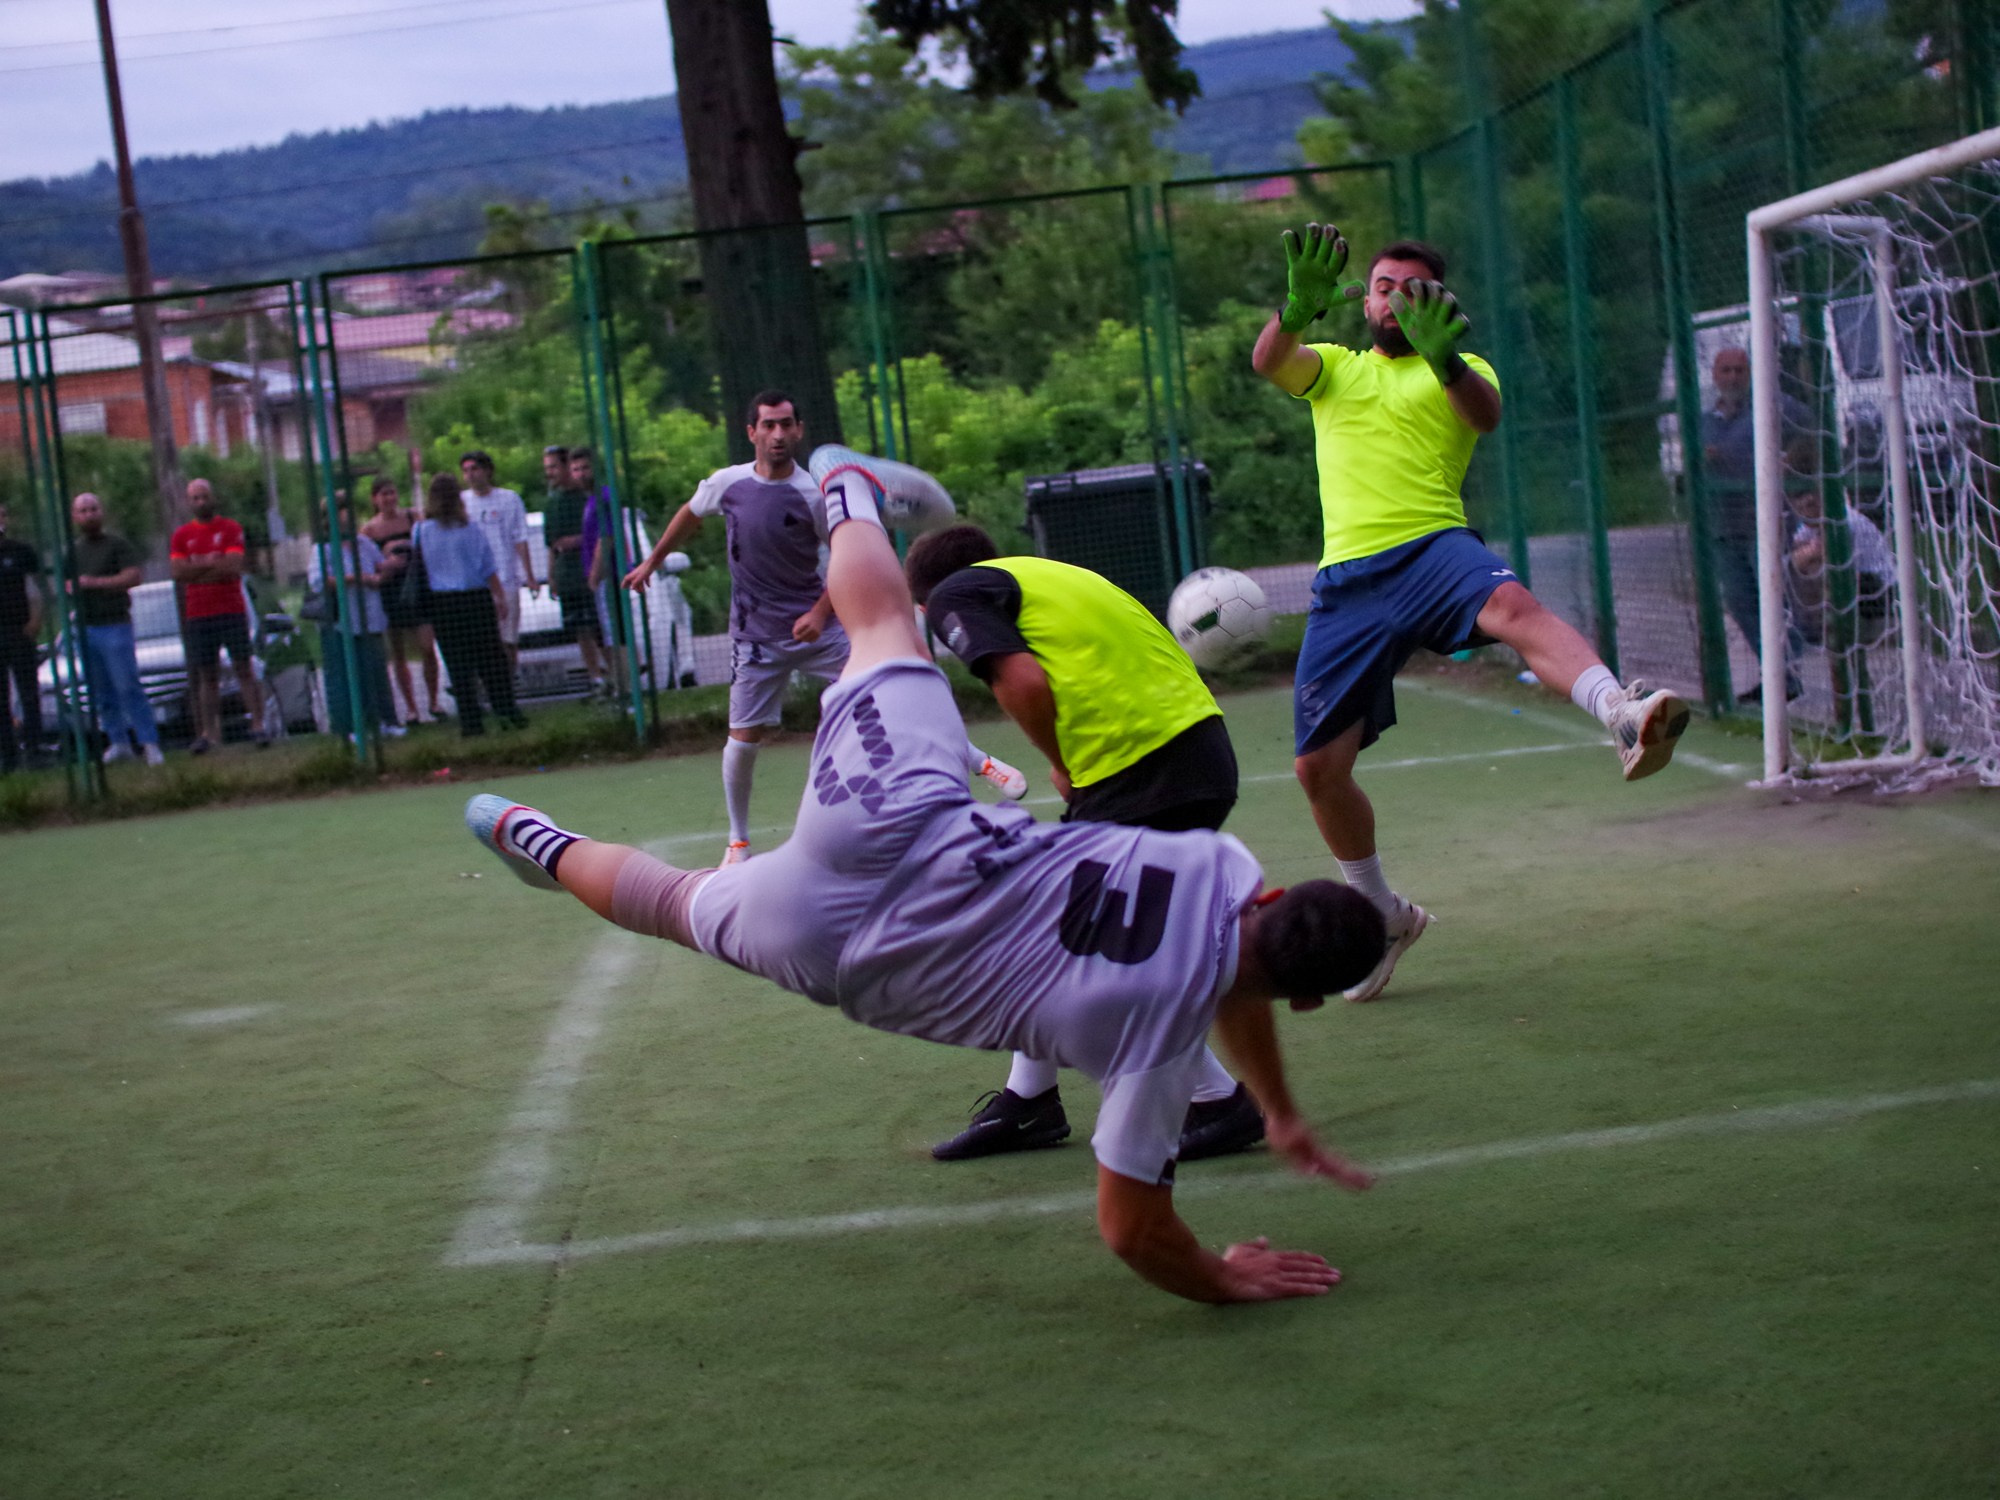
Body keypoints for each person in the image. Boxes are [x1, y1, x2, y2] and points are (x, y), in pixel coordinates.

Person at [466, 444, 1390, 1304]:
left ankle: (843, 487)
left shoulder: (1221, 866)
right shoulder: (1152, 1051)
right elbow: (1134, 1230)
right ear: (1304, 1001)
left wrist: (1279, 1106)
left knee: (885, 630)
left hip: (901, 824)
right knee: (669, 901)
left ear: (1272, 893)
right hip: (847, 952)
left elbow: (1234, 952)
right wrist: (1226, 1275)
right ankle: (533, 836)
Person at [1251, 226, 1688, 1003]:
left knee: (1510, 603)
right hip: (1346, 581)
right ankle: (1384, 912)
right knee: (1318, 771)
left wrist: (1444, 355)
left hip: (1430, 548)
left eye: (1410, 289)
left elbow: (1482, 415)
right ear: (1365, 299)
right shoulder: (1335, 372)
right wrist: (1295, 309)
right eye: (1381, 285)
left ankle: (1620, 711)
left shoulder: (1461, 369)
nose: (1391, 297)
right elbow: (1271, 362)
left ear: (1438, 305)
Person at [907, 524, 1265, 1165]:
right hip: (1197, 751)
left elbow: (1022, 683)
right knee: (1056, 935)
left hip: (1139, 768)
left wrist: (1058, 762)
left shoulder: (955, 593)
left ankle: (1218, 1102)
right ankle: (1030, 1102)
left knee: (1079, 947)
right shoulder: (1059, 576)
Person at [622, 390, 1024, 865]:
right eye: (768, 425)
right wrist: (653, 560)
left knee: (892, 695)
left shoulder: (816, 493)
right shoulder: (728, 485)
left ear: (799, 430)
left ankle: (981, 763)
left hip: (821, 632)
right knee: (742, 741)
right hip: (755, 639)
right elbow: (691, 513)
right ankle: (738, 840)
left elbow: (845, 558)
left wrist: (818, 612)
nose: (777, 434)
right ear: (751, 432)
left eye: (786, 424)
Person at [1701, 344, 1813, 701]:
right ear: (1715, 377)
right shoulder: (1706, 420)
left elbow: (1811, 428)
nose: (1733, 377)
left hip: (1765, 521)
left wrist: (1790, 462)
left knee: (1771, 597)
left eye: (1740, 370)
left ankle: (1785, 675)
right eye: (1726, 371)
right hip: (1724, 523)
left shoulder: (1772, 405)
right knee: (1739, 600)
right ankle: (1778, 669)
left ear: (1750, 374)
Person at [416, 473, 525, 737]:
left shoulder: (421, 531)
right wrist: (499, 596)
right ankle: (506, 711)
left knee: (457, 663)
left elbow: (421, 568)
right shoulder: (470, 528)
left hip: (442, 603)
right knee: (491, 659)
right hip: (474, 598)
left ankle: (470, 721)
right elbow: (487, 566)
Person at [169, 478, 268, 754]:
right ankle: (208, 733)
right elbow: (178, 573)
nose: (201, 502)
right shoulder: (181, 535)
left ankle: (258, 725)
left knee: (243, 669)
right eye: (195, 498)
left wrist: (197, 568)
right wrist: (212, 565)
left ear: (213, 498)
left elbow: (233, 566)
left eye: (204, 497)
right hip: (199, 614)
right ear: (189, 502)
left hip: (231, 610)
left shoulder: (230, 528)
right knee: (207, 675)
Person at [65, 492, 162, 766]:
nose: (88, 515)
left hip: (115, 626)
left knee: (128, 685)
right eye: (82, 511)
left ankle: (149, 743)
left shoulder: (116, 545)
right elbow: (65, 583)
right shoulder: (72, 551)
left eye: (93, 509)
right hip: (86, 629)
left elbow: (133, 576)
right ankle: (118, 742)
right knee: (101, 691)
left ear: (101, 512)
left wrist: (94, 583)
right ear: (75, 516)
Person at [309, 511, 402, 741]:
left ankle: (384, 721)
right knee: (347, 674)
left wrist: (390, 565)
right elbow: (319, 581)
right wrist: (354, 578)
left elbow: (378, 567)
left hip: (370, 617)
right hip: (342, 619)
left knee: (376, 669)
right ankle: (351, 727)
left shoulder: (363, 543)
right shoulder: (323, 548)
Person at [362, 476, 442, 724]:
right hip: (391, 591)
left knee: (427, 646)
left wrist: (408, 546)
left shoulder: (413, 517)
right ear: (375, 499)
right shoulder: (369, 530)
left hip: (418, 588)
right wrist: (386, 559)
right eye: (383, 494)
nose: (389, 499)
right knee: (398, 652)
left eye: (392, 493)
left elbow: (429, 543)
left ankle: (434, 701)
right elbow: (368, 562)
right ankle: (410, 708)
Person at [458, 450, 537, 678]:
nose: (471, 475)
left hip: (506, 579)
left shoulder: (509, 499)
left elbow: (520, 538)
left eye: (475, 469)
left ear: (488, 471)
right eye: (466, 471)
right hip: (475, 583)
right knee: (481, 639)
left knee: (508, 637)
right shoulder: (461, 502)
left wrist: (529, 576)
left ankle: (508, 682)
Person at [551, 447, 614, 697]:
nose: (580, 474)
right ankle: (611, 684)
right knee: (595, 631)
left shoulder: (604, 497)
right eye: (576, 469)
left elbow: (604, 539)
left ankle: (625, 688)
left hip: (608, 578)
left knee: (610, 635)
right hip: (596, 578)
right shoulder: (588, 501)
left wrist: (594, 576)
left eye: (585, 468)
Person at [0, 500, 44, 773]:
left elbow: (38, 590)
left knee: (29, 692)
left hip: (20, 631)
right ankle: (7, 756)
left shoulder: (21, 551)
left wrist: (35, 621)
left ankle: (35, 748)